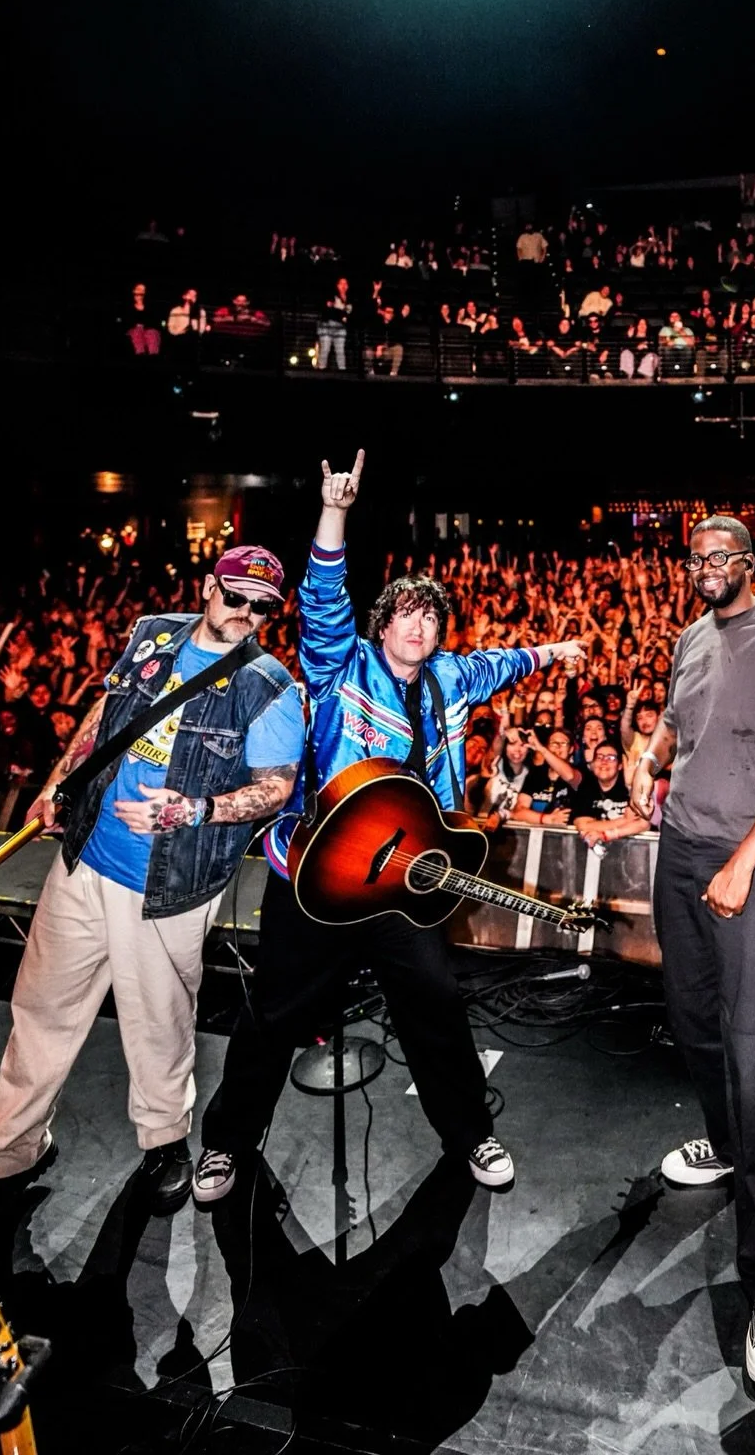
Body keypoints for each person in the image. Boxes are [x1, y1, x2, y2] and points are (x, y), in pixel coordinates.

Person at [193, 451, 586, 1205]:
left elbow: (506, 663)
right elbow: (324, 597)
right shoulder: (341, 664)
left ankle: (471, 1132)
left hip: (401, 888)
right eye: (407, 612)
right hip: (314, 879)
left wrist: (552, 651)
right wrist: (334, 512)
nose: (422, 623)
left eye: (432, 615)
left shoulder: (452, 677)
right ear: (383, 625)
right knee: (274, 1015)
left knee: (436, 1006)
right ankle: (225, 1145)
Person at [0, 547, 302, 1224]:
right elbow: (105, 712)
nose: (246, 615)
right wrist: (61, 782)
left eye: (263, 607)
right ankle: (11, 1151)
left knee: (159, 1029)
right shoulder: (152, 633)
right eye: (235, 597)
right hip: (85, 861)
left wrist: (193, 810)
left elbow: (276, 787)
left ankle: (165, 1143)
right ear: (209, 587)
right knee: (40, 1011)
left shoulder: (271, 687)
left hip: (170, 886)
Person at [631, 515, 755, 1390]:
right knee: (693, 1026)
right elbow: (680, 719)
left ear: (749, 566)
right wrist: (650, 757)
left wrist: (746, 862)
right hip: (680, 851)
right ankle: (724, 1143)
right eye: (698, 557)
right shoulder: (689, 637)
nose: (709, 567)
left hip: (754, 865)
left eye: (724, 557)